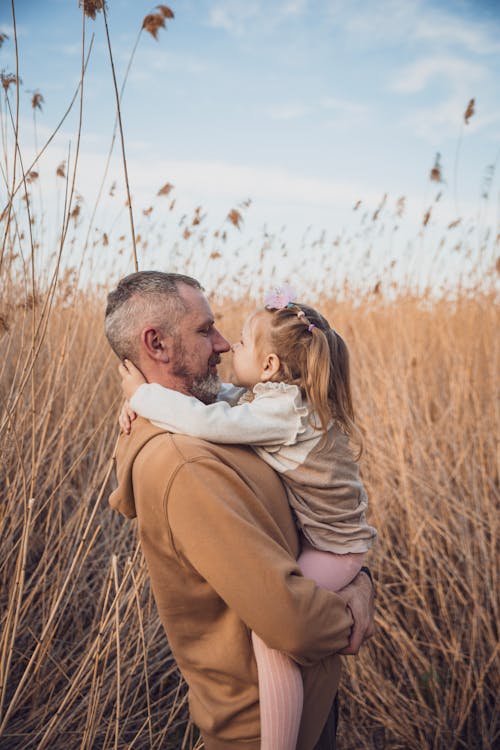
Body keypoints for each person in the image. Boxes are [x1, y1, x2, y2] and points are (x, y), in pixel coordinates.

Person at [105, 271, 375, 750]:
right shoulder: (186, 465)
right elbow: (290, 623)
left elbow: (233, 415)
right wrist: (353, 607)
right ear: (158, 344)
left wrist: (360, 579)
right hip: (264, 728)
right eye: (206, 329)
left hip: (305, 707)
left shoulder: (219, 425)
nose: (225, 344)